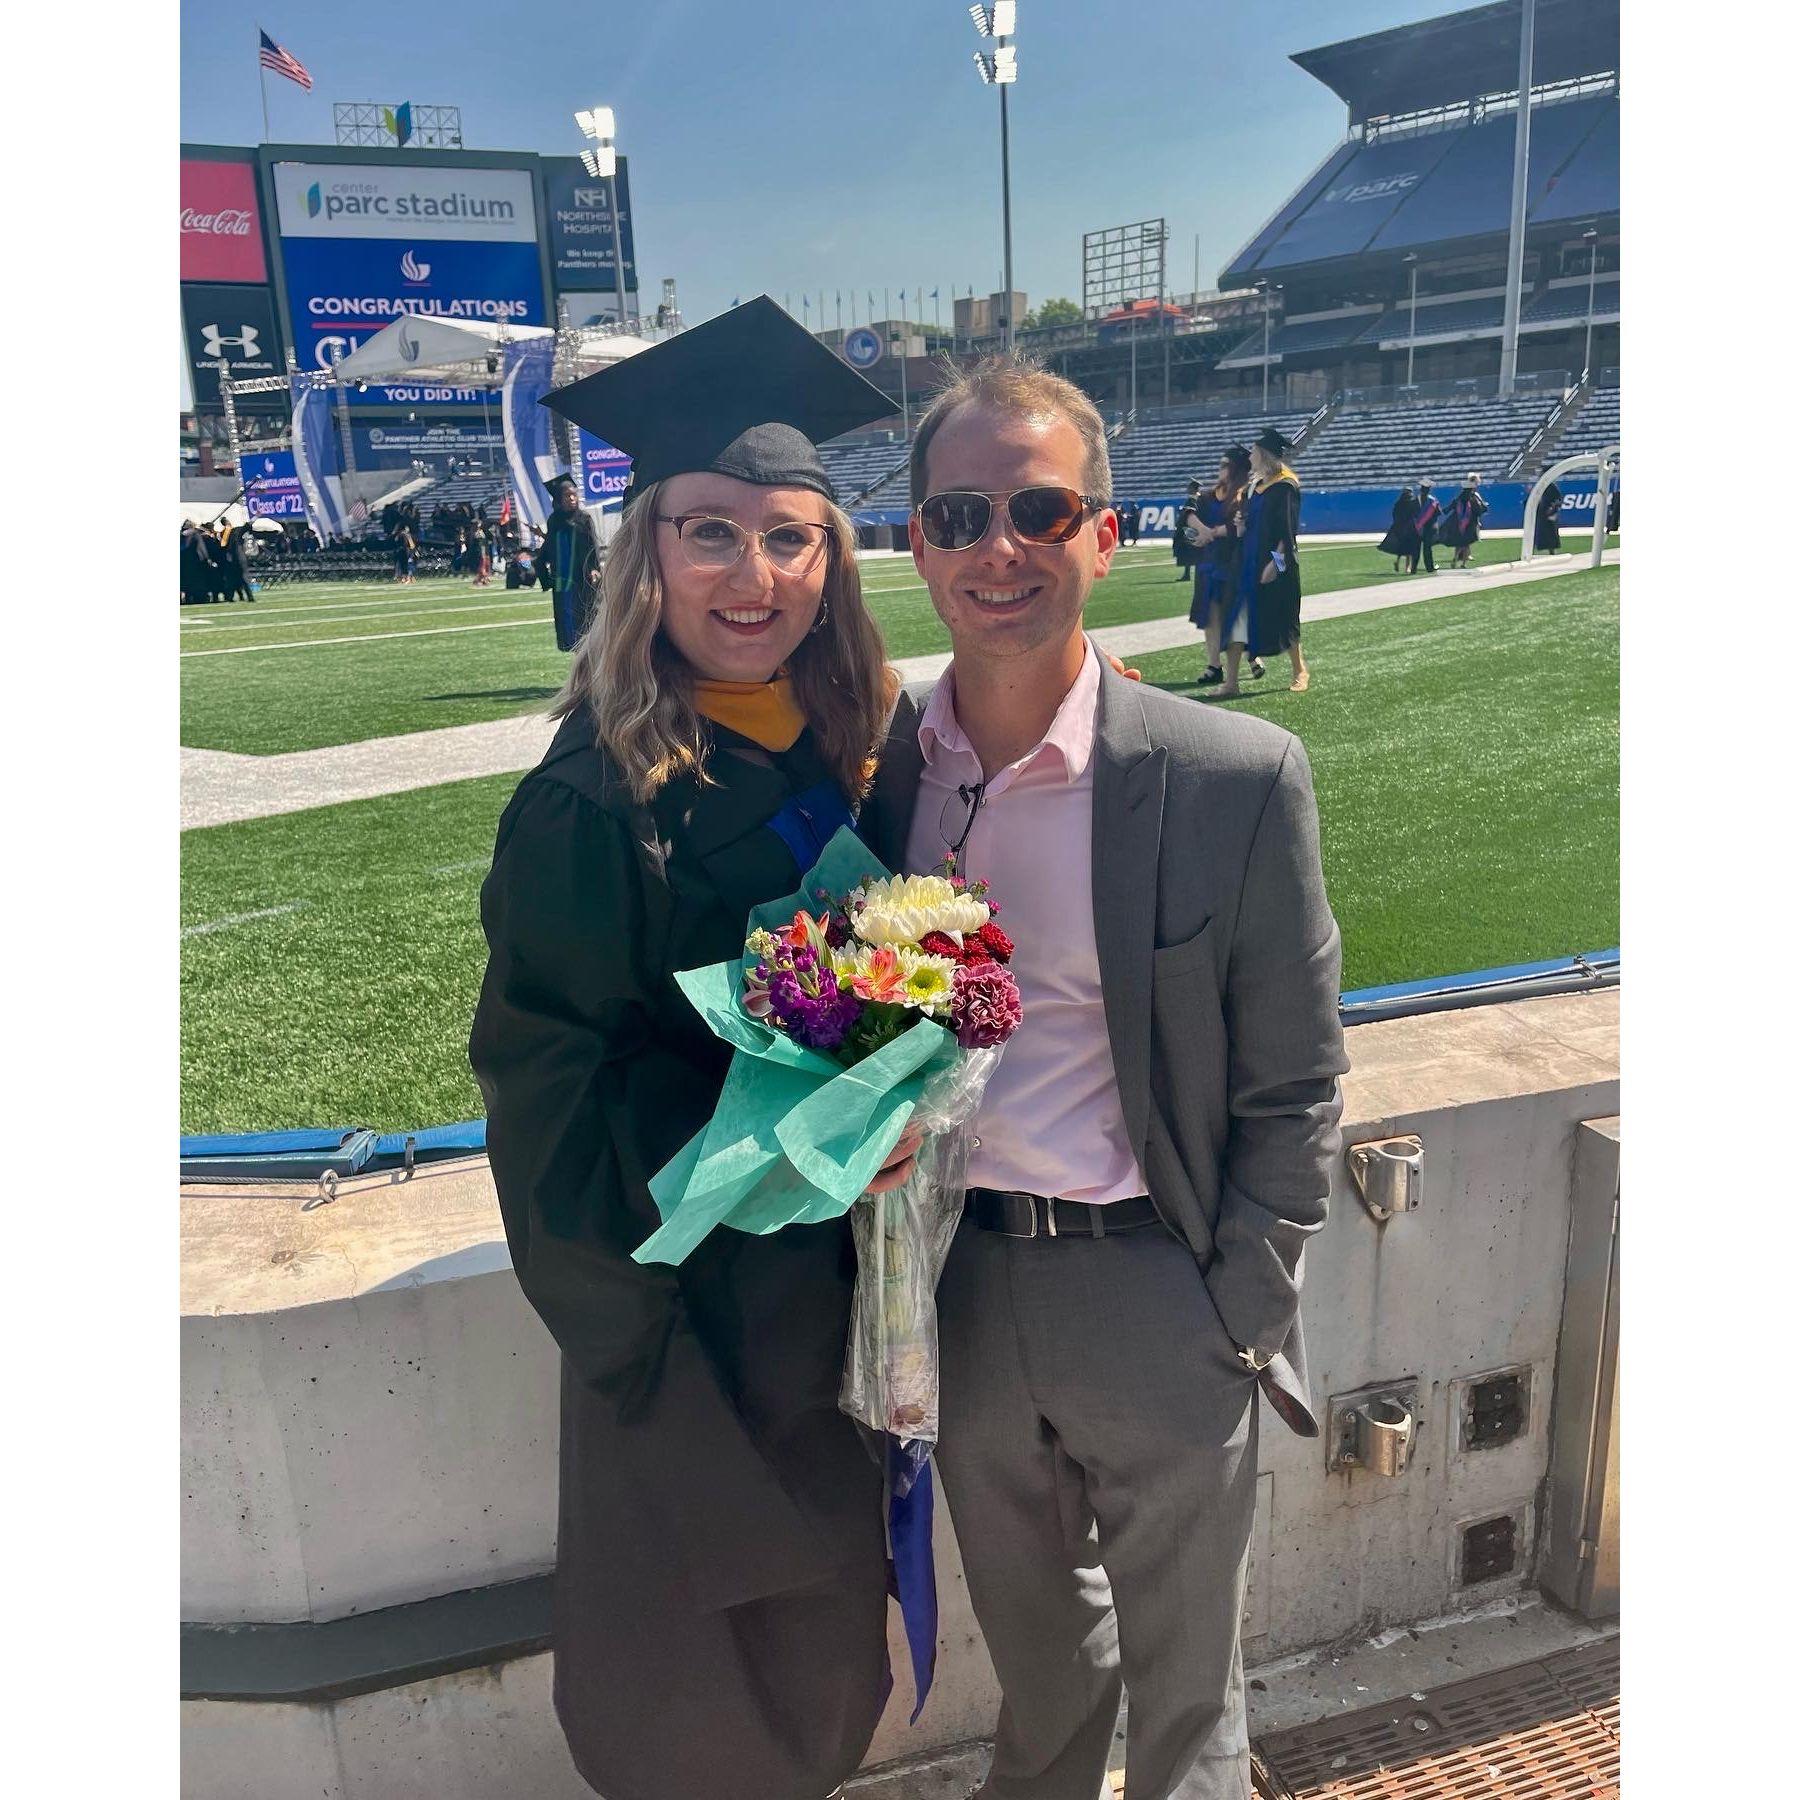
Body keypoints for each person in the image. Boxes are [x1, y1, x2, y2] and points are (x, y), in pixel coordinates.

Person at [860, 355, 1347, 1800]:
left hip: (1162, 1292)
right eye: (958, 515)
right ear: (917, 546)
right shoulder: (879, 774)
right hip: (962, 1293)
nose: (996, 546)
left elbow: (1299, 1076)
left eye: (1037, 508)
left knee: (1193, 1709)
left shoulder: (1233, 776)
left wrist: (1241, 1311)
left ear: (1102, 535)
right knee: (1049, 1685)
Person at [469, 297, 910, 1800]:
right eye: (710, 533)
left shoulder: (850, 744)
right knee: (703, 1714)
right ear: (645, 552)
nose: (755, 574)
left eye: (789, 537)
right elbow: (542, 1105)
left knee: (825, 1673)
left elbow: (883, 992)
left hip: (839, 1312)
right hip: (691, 1332)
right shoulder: (599, 801)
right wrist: (645, 1377)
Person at [1236, 425, 1310, 692]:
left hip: (1279, 561)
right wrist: (1241, 523)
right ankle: (1252, 657)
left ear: (1264, 454)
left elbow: (1287, 531)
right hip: (1254, 559)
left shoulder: (1285, 486)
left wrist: (1275, 565)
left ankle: (1300, 671)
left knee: (1286, 615)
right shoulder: (1257, 485)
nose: (1250, 457)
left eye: (1254, 452)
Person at [1191, 445, 1265, 695]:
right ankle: (1214, 665)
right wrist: (1201, 532)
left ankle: (1250, 656)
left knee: (1234, 616)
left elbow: (1245, 528)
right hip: (1209, 562)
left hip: (1234, 563)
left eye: (1225, 465)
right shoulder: (1209, 495)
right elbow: (1188, 515)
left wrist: (1215, 532)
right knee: (1210, 618)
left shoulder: (1245, 496)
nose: (1220, 469)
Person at [538, 472, 605, 651]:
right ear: (560, 499)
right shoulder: (554, 521)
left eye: (574, 495)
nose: (572, 498)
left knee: (585, 612)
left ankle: (588, 644)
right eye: (567, 496)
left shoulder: (584, 519)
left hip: (581, 575)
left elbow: (593, 547)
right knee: (565, 612)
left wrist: (594, 569)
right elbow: (550, 547)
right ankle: (570, 643)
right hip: (562, 577)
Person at [1441, 472, 1488, 568]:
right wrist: (1485, 507)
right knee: (1466, 543)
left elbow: (1451, 507)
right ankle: (1463, 563)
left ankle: (1455, 558)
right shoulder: (1473, 497)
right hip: (1470, 523)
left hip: (1459, 523)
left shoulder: (1460, 497)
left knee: (1459, 542)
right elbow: (1480, 509)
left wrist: (1445, 510)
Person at [1378, 485, 1421, 573]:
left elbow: (1394, 514)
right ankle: (1407, 567)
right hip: (1410, 526)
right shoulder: (1412, 502)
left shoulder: (1398, 503)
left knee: (1400, 546)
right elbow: (1417, 513)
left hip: (1399, 526)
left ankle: (1397, 561)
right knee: (1410, 547)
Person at [213, 521, 254, 604]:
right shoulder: (235, 531)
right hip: (238, 558)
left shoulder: (224, 533)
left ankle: (231, 597)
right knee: (242, 578)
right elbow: (245, 527)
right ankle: (249, 597)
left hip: (231, 559)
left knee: (232, 579)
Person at [1172, 478, 1203, 583]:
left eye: (1189, 487)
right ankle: (1187, 574)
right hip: (1191, 529)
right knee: (1188, 552)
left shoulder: (1193, 500)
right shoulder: (1197, 499)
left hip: (1189, 530)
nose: (1187, 489)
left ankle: (1187, 574)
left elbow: (1190, 514)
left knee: (1188, 552)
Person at [1412, 479, 1440, 573]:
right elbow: (1438, 513)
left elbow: (1412, 513)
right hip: (1429, 527)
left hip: (1417, 527)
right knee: (1427, 548)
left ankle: (1413, 569)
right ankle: (1429, 568)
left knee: (1416, 548)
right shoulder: (1433, 501)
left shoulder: (1416, 499)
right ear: (1429, 490)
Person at [1533, 479, 1563, 553]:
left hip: (1549, 511)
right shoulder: (1541, 485)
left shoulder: (1551, 486)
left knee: (1550, 531)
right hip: (1541, 512)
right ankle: (1537, 548)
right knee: (1540, 531)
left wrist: (1553, 509)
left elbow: (1558, 499)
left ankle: (1551, 549)